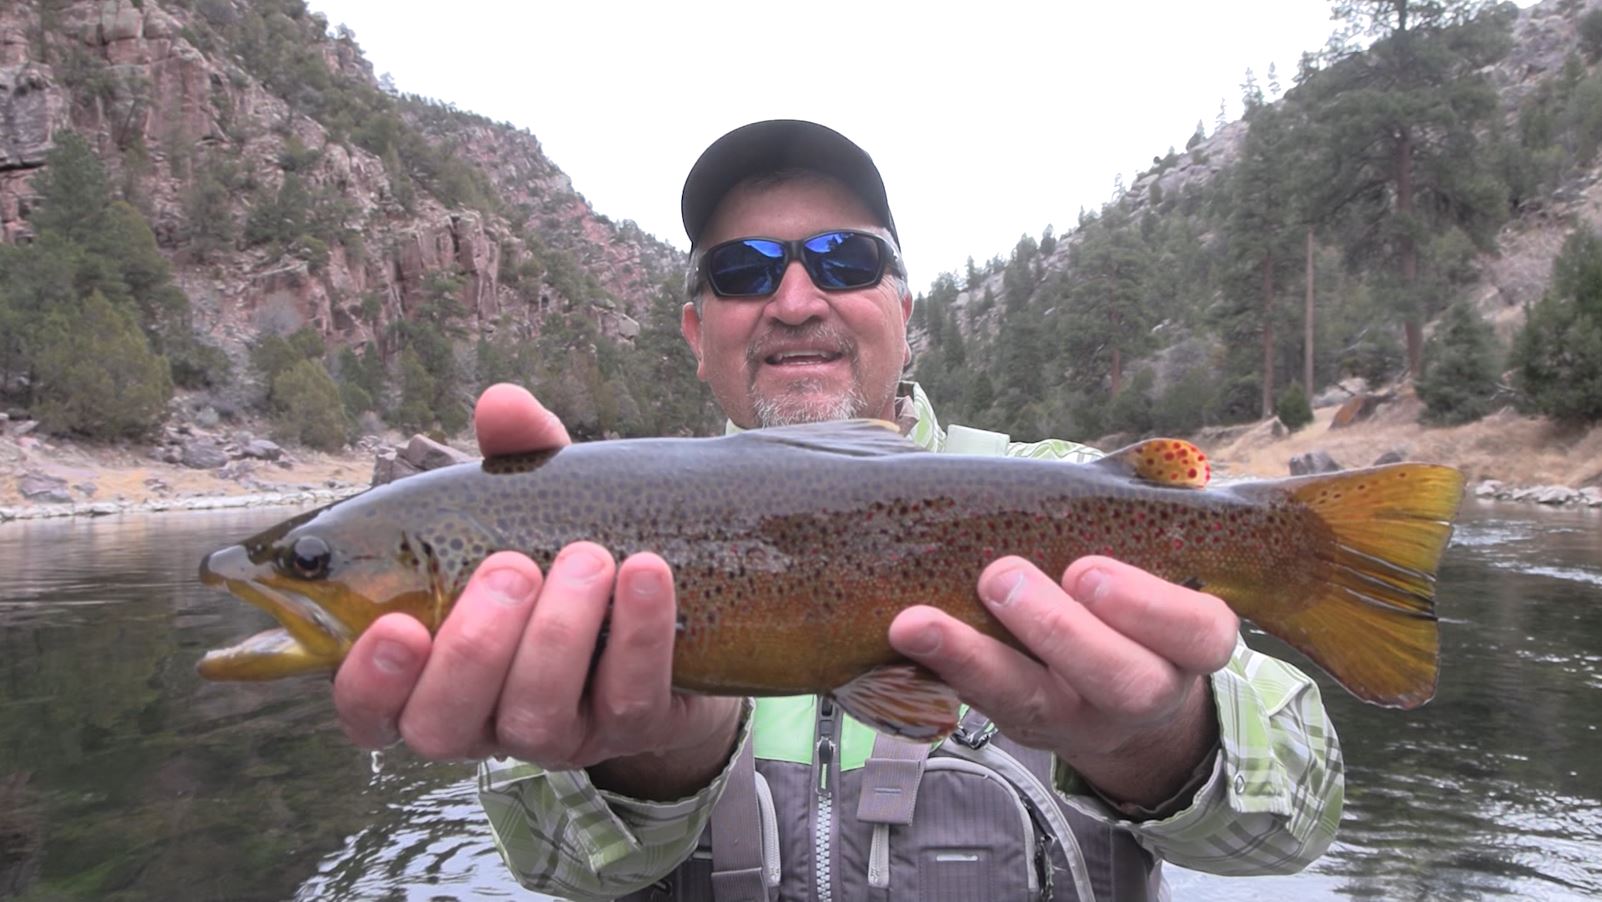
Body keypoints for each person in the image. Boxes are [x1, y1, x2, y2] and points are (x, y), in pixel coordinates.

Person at [332, 120, 1342, 900]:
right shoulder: (593, 526)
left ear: (904, 310)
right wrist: (650, 755)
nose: (796, 298)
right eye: (743, 271)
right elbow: (552, 864)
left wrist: (1157, 739)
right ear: (695, 332)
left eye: (845, 260)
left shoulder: (1074, 493)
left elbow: (1296, 822)